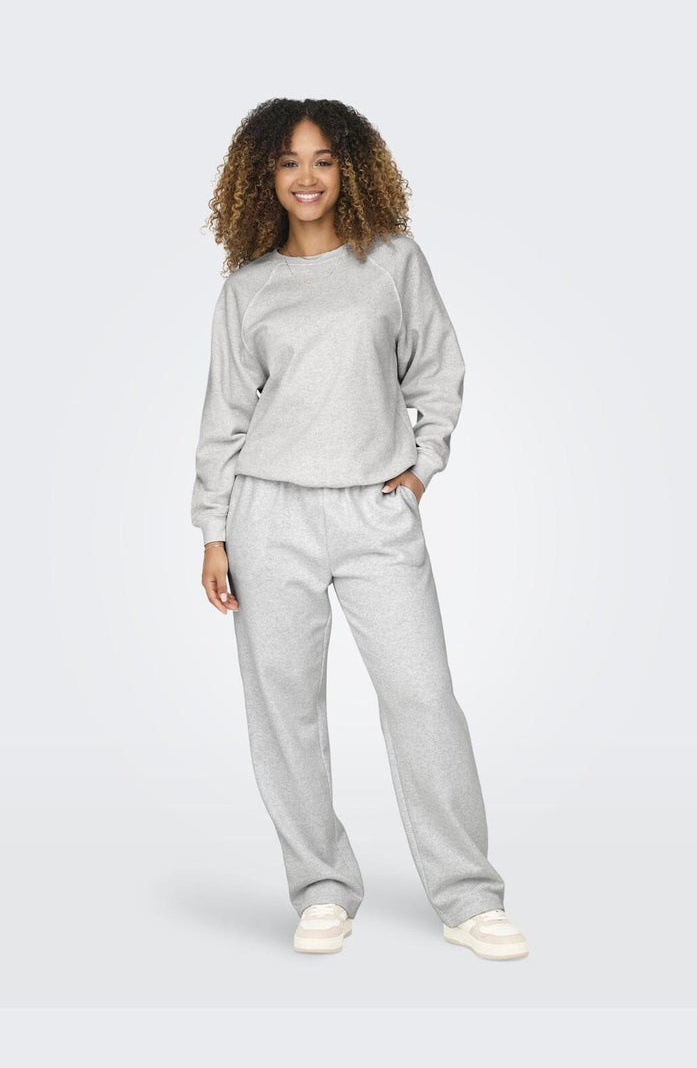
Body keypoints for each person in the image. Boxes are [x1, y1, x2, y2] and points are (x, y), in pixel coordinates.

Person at [191, 98, 528, 961]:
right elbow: (225, 416)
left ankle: (467, 896)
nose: (306, 177)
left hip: (376, 514)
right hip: (268, 514)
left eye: (323, 160)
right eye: (287, 162)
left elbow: (439, 370)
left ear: (352, 169)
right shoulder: (248, 289)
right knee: (285, 711)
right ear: (262, 177)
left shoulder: (393, 262)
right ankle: (321, 889)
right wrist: (214, 531)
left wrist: (421, 466)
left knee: (422, 697)